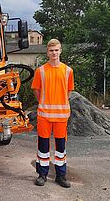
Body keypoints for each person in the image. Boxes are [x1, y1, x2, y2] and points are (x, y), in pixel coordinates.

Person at [31, 38, 74, 188]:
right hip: (44, 115)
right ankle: (42, 174)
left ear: (60, 51)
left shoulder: (68, 71)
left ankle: (60, 176)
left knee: (60, 146)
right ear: (47, 52)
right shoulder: (40, 71)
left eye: (56, 50)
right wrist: (44, 101)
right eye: (51, 50)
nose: (54, 53)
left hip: (61, 116)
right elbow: (36, 90)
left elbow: (68, 91)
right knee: (43, 146)